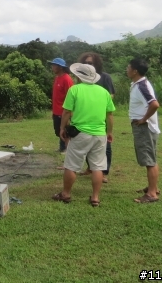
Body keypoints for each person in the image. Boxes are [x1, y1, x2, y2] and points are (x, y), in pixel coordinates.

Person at [52, 63, 114, 207]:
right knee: (98, 166)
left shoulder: (75, 90)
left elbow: (67, 112)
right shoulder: (103, 92)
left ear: (79, 76)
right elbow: (110, 115)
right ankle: (95, 197)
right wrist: (109, 132)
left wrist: (62, 128)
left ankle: (66, 194)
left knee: (71, 165)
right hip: (100, 134)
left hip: (80, 133)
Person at [127, 58, 161, 204]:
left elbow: (154, 104)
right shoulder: (138, 84)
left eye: (128, 67)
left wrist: (143, 119)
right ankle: (153, 187)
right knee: (150, 157)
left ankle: (152, 194)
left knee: (149, 160)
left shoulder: (142, 86)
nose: (126, 69)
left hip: (144, 128)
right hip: (144, 126)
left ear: (135, 71)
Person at [77, 52, 115, 182]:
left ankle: (103, 172)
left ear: (96, 64)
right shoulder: (81, 78)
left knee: (105, 145)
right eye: (85, 63)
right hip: (85, 116)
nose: (88, 65)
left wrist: (97, 102)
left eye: (90, 63)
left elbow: (111, 95)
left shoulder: (105, 77)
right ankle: (90, 168)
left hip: (101, 116)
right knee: (85, 141)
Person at [48, 57, 73, 153]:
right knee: (58, 131)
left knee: (65, 130)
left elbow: (71, 96)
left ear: (60, 67)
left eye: (54, 65)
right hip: (56, 110)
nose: (52, 67)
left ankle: (67, 149)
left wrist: (68, 112)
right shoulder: (57, 78)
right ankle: (62, 147)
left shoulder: (67, 79)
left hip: (63, 111)